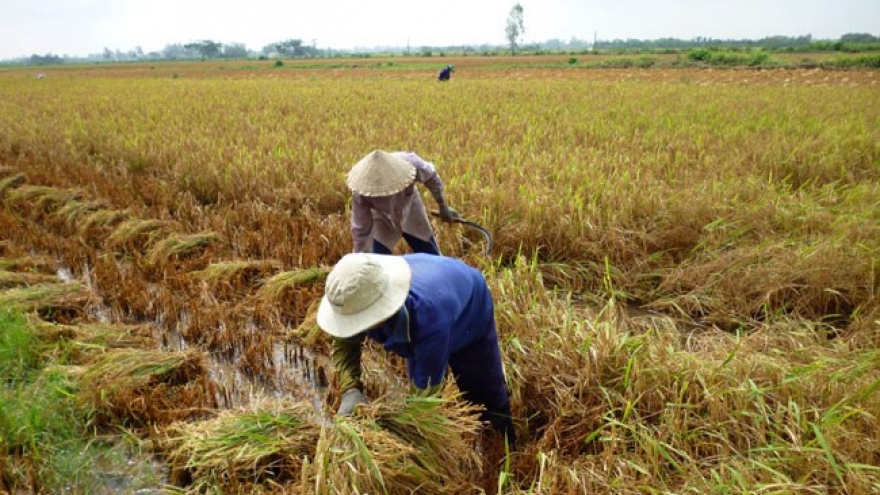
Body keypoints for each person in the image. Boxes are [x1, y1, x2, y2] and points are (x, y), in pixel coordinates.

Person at [317, 252, 516, 446]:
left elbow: (424, 400)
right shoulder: (359, 288)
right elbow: (344, 342)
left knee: (483, 393)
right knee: (417, 381)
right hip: (430, 287)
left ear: (379, 314)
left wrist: (400, 438)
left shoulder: (429, 321)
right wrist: (350, 389)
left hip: (471, 307)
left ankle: (504, 446)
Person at [347, 149, 460, 255]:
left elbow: (431, 177)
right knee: (378, 259)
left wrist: (442, 204)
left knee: (430, 253)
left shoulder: (411, 163)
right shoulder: (361, 192)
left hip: (410, 209)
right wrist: (360, 258)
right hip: (381, 217)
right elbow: (361, 229)